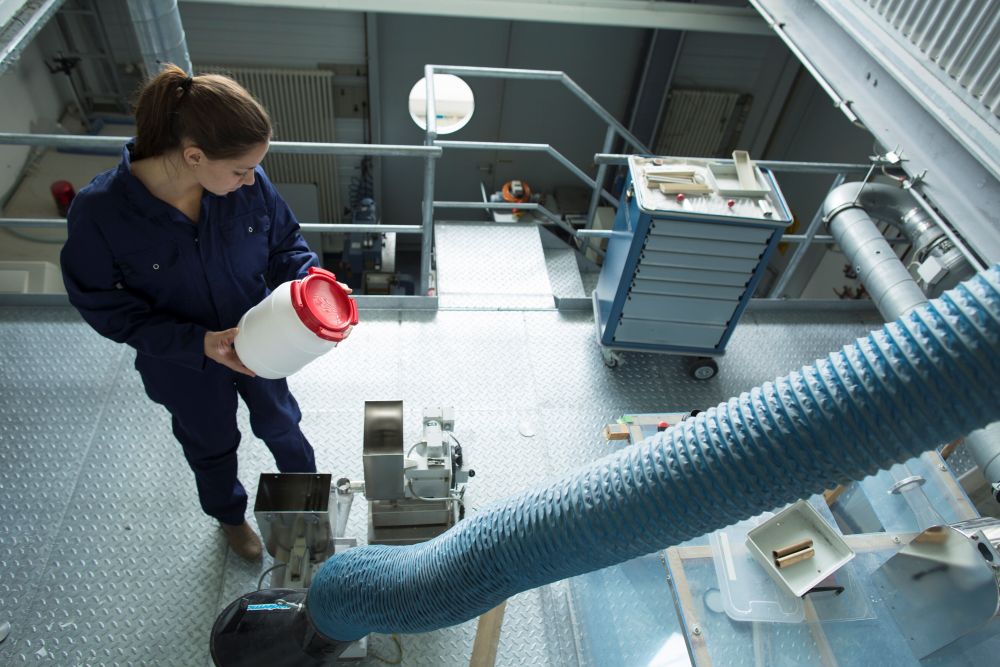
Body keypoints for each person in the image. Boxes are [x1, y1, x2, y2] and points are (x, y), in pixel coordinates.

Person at [60, 64, 347, 560]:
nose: (251, 179)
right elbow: (102, 304)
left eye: (255, 167)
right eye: (240, 170)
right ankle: (231, 519)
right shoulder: (100, 213)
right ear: (194, 156)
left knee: (282, 423)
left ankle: (306, 513)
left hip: (260, 339)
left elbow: (285, 244)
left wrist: (311, 284)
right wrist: (196, 342)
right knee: (211, 444)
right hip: (183, 363)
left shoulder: (245, 184)